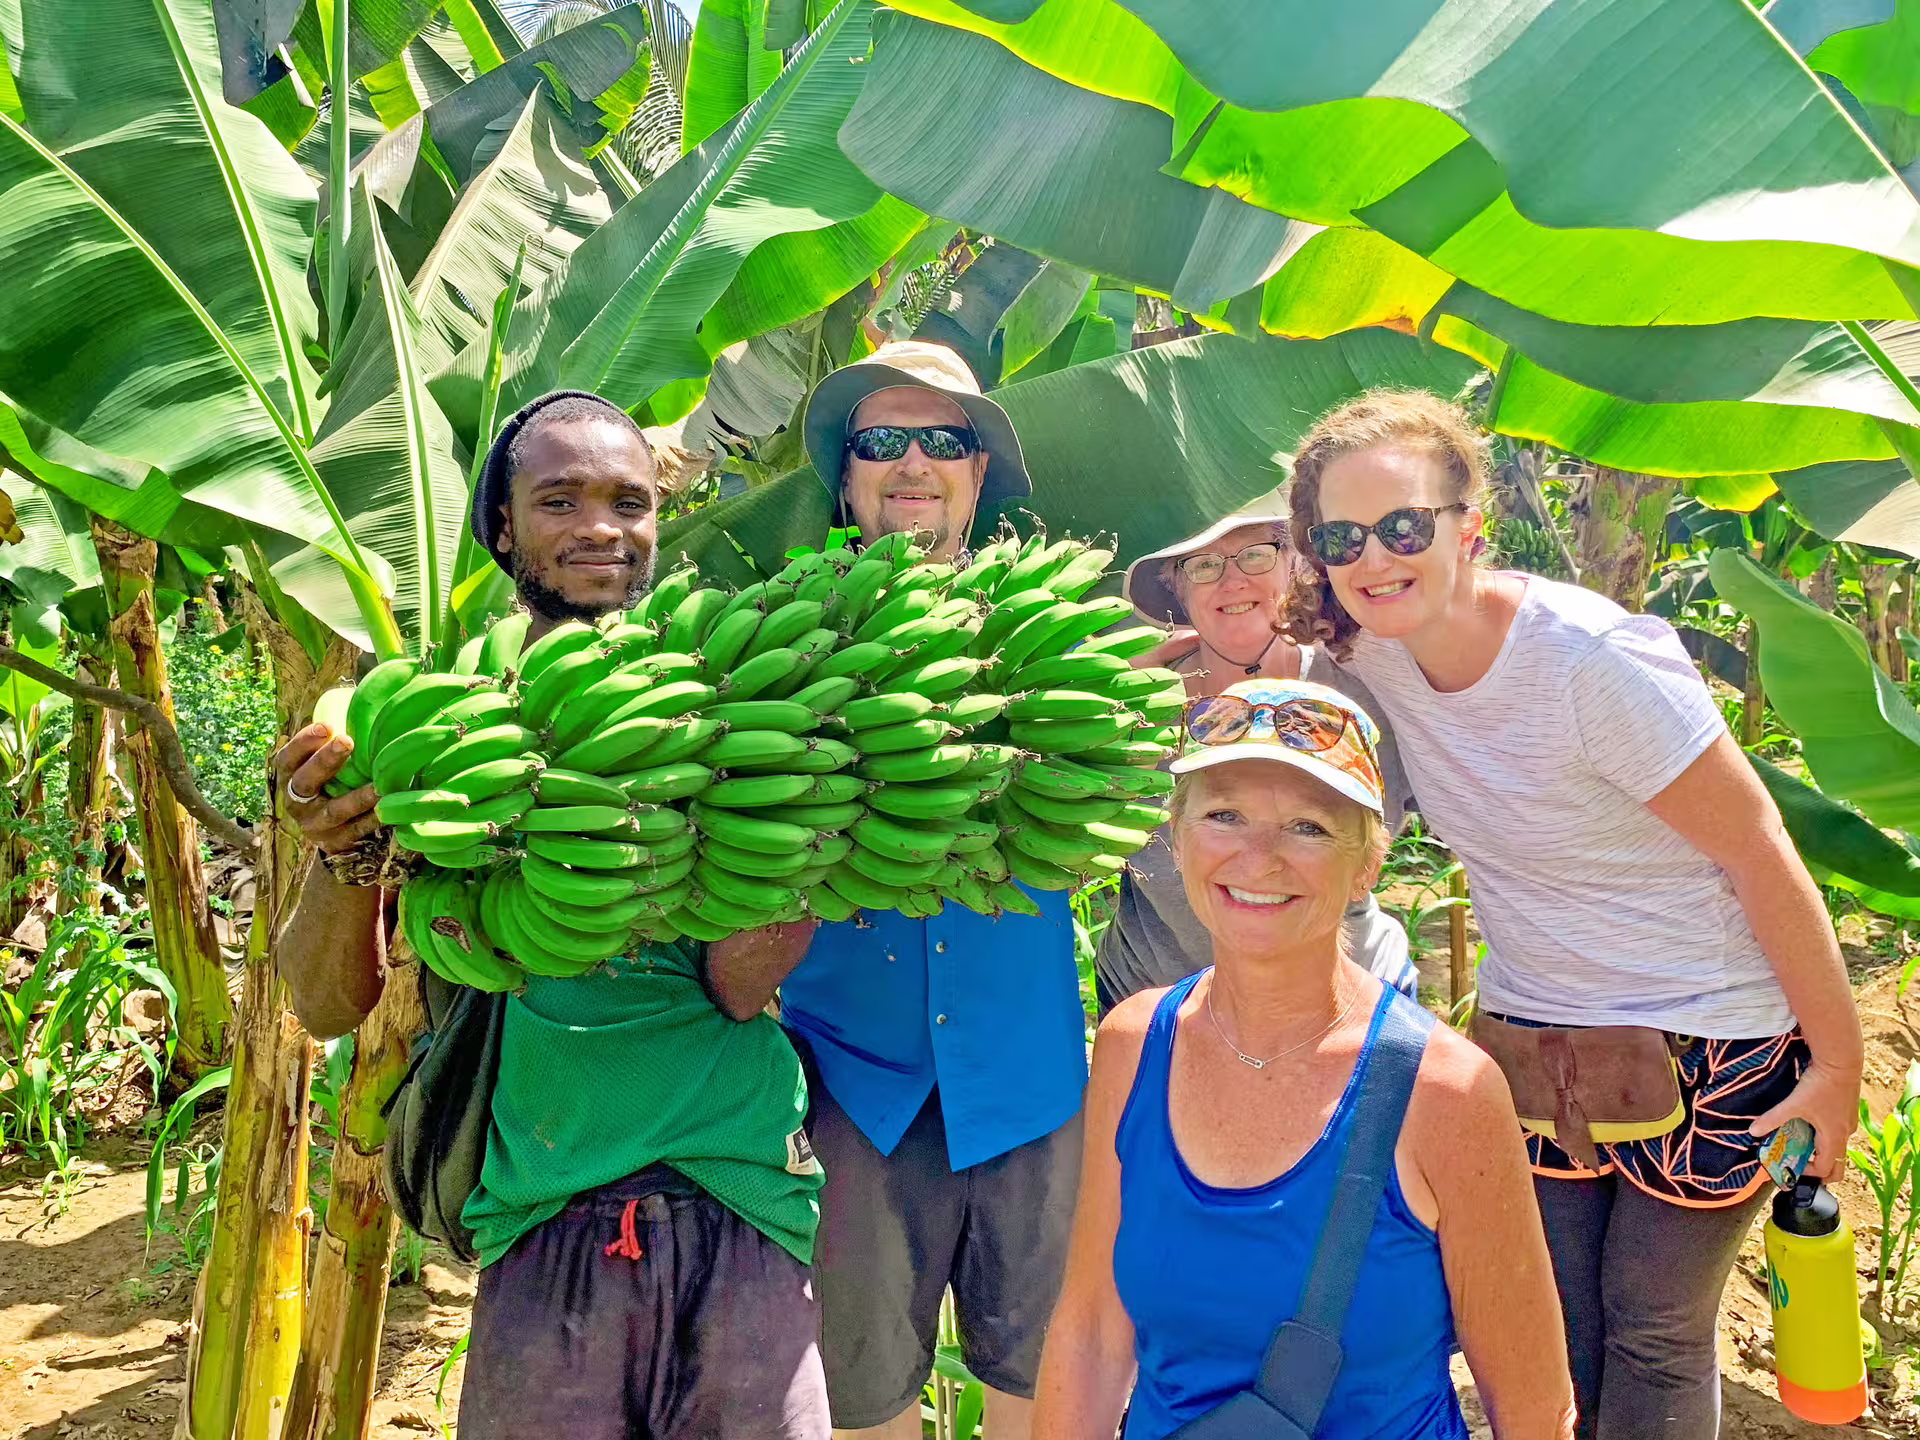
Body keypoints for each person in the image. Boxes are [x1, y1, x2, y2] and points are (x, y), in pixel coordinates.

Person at [1280, 388, 1864, 1439]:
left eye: (1404, 525)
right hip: (1535, 1030)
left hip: (1712, 1031)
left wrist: (1838, 1065)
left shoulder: (1589, 664)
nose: (1375, 555)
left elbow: (1762, 852)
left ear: (1472, 526)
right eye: (1341, 536)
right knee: (1555, 1323)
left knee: (1652, 1329)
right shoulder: (1368, 652)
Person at [272, 390, 831, 1440]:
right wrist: (348, 851)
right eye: (560, 500)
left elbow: (738, 984)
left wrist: (802, 846)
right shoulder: (434, 714)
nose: (600, 530)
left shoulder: (722, 694)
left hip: (744, 1191)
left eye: (629, 502)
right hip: (543, 1208)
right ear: (503, 529)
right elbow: (321, 1000)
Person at [705, 342, 1084, 1440]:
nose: (912, 462)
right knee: (863, 1397)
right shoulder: (777, 643)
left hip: (1029, 1075)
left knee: (1039, 1387)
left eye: (943, 441)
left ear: (978, 475)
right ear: (846, 476)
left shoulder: (1049, 640)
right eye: (880, 441)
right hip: (851, 1083)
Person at [1033, 678, 1573, 1440]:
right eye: (1224, 815)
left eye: (1309, 828)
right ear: (1178, 840)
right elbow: (1091, 1332)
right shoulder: (1133, 1047)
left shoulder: (1445, 1092)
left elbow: (1535, 1410)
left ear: (1368, 865)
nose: (1258, 858)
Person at [1096, 494, 1418, 1014]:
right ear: (1175, 588)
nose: (1233, 580)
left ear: (1293, 565)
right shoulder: (1124, 703)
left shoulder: (1361, 689)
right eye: (1202, 565)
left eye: (1256, 555)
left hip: (1344, 1002)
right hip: (1153, 1003)